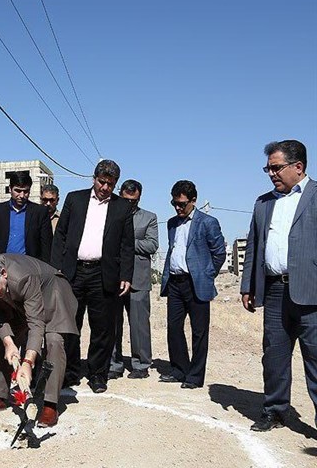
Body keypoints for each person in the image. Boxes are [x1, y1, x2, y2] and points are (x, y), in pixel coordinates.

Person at [241, 140, 317, 431]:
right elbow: (253, 246)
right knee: (274, 356)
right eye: (268, 169)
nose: (271, 173)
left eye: (276, 168)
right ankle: (274, 411)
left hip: (311, 292)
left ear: (298, 166)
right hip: (274, 291)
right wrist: (248, 286)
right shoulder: (263, 203)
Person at [50, 159, 134, 393]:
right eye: (101, 182)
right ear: (94, 178)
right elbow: (61, 236)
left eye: (110, 184)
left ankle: (98, 374)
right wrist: (56, 269)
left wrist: (126, 275)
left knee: (103, 328)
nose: (105, 187)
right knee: (70, 325)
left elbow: (127, 245)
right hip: (73, 273)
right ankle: (70, 372)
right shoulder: (74, 199)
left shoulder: (122, 207)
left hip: (103, 274)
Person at [0, 255, 78, 427]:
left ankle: (50, 404)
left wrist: (27, 362)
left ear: (3, 273)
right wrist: (9, 343)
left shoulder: (23, 278)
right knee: (2, 338)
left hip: (52, 294)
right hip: (19, 299)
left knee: (53, 341)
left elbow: (36, 323)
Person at [160, 180, 225, 389]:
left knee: (199, 332)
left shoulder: (208, 222)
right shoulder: (171, 223)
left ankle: (195, 377)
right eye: (174, 203)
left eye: (182, 204)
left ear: (193, 201)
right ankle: (179, 370)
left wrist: (207, 274)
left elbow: (219, 253)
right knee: (174, 328)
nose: (178, 208)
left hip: (196, 284)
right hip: (175, 283)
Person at [109, 180, 159, 379]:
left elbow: (152, 245)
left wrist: (126, 241)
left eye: (134, 201)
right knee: (112, 324)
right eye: (126, 199)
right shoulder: (109, 213)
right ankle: (114, 364)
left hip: (138, 279)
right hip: (114, 278)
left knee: (139, 325)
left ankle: (141, 364)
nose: (129, 204)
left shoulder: (149, 217)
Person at [0, 171, 52, 263]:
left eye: (25, 191)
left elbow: (46, 246)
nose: (22, 195)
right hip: (1, 265)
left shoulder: (40, 212)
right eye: (18, 191)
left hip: (30, 265)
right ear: (10, 189)